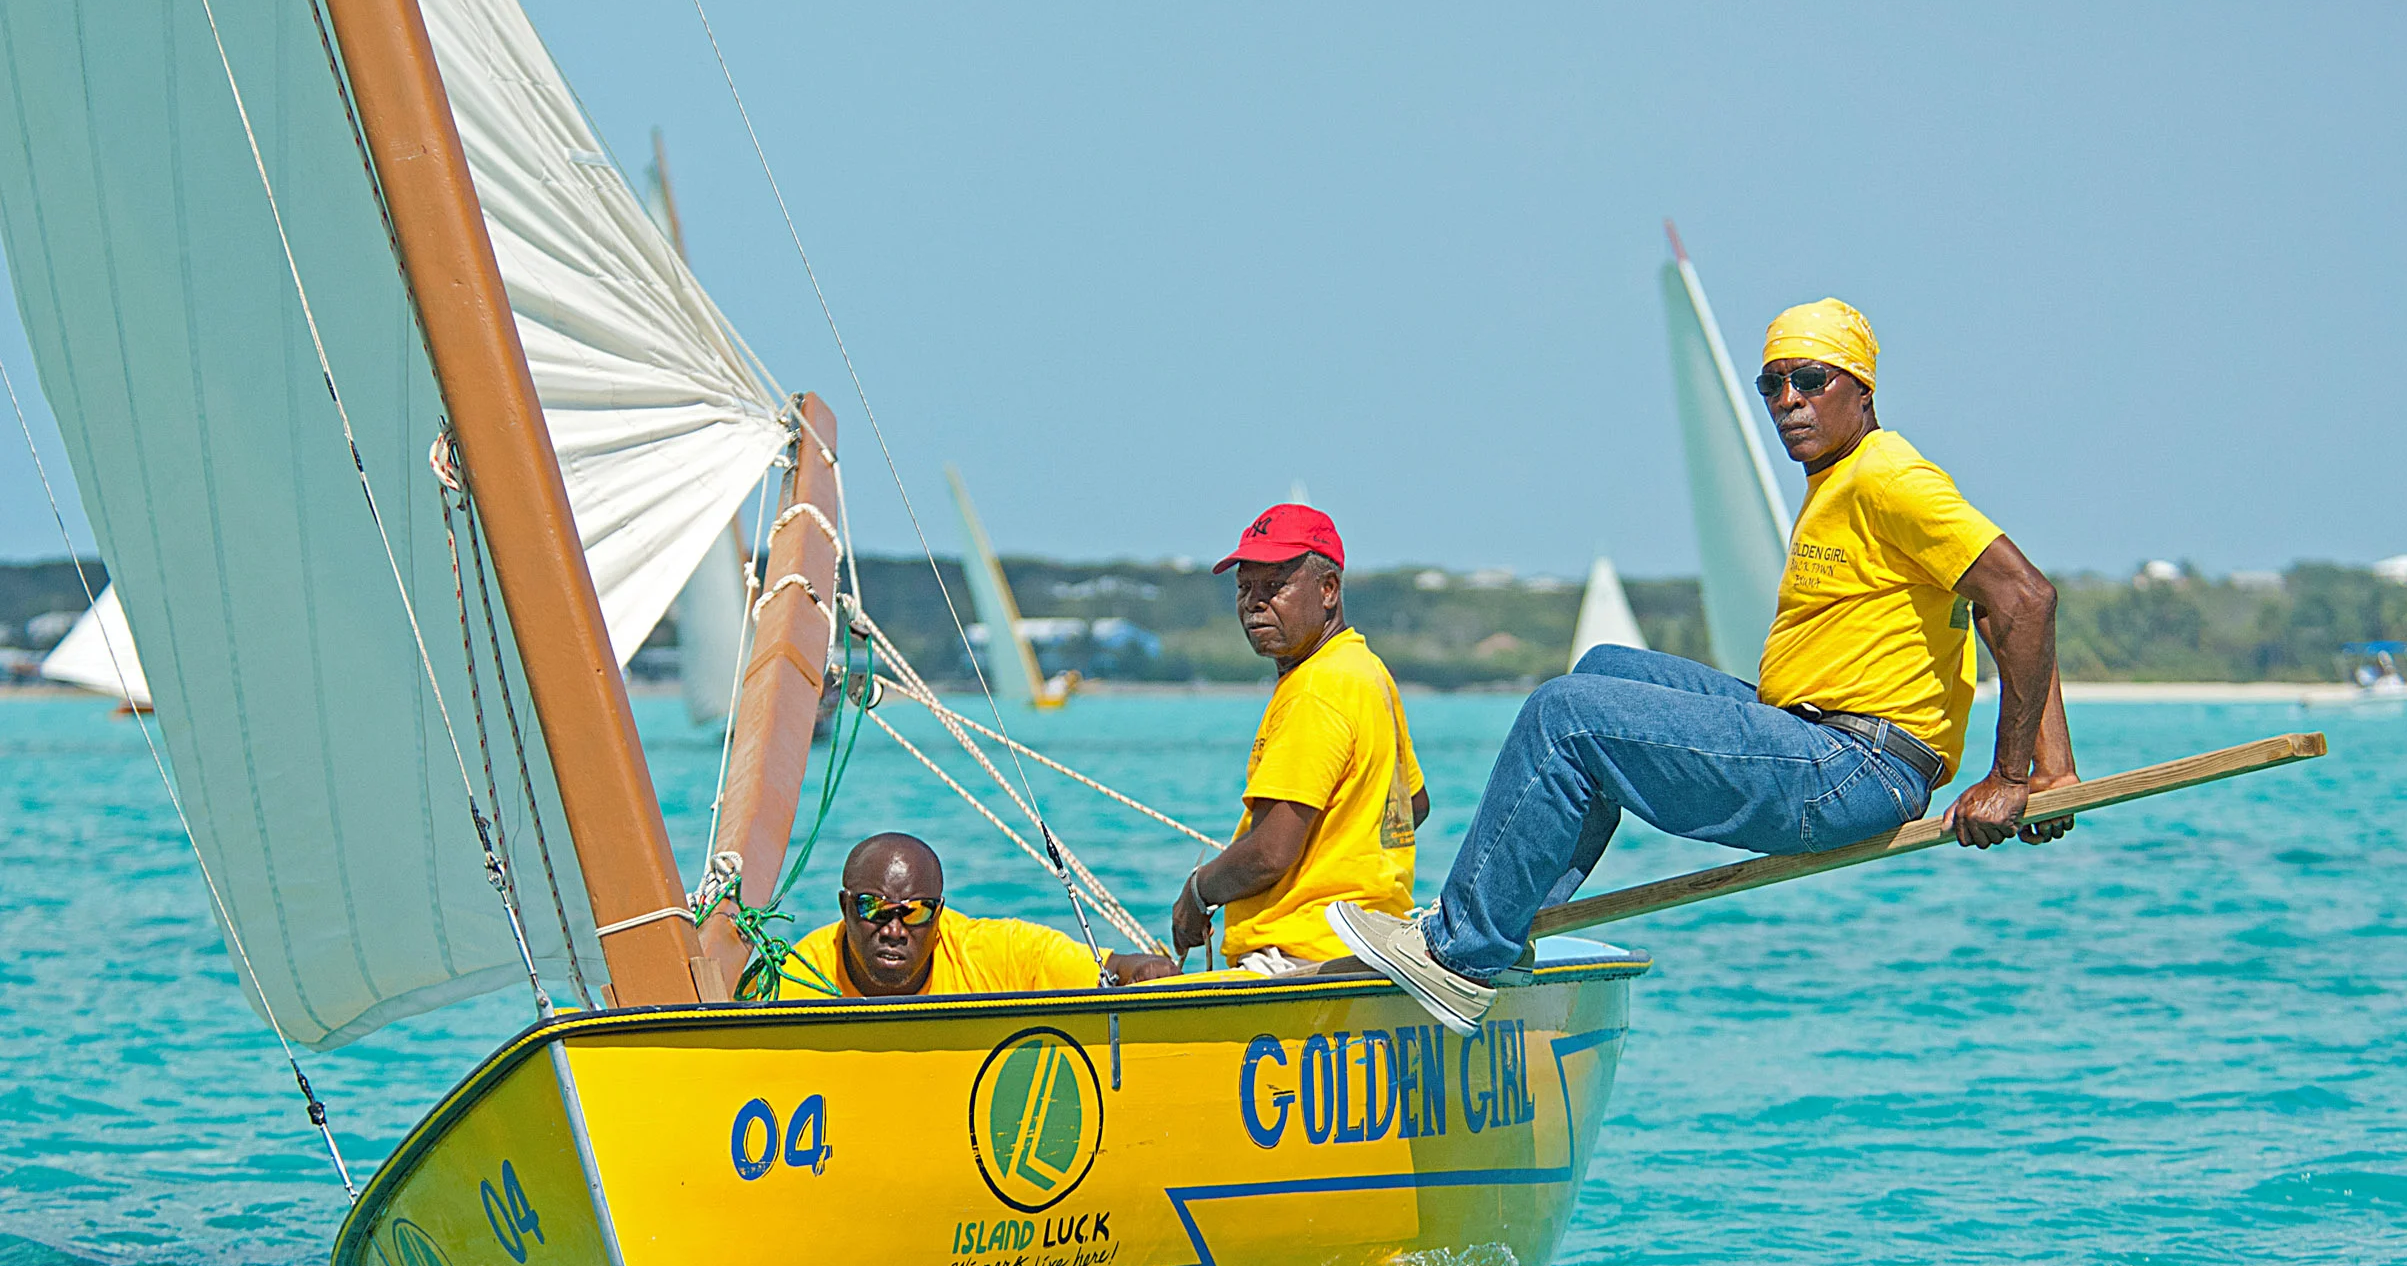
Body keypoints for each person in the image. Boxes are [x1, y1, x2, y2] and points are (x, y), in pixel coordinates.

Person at [1329, 298, 2078, 1033]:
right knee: (1600, 672)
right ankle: (1509, 915)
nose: (1789, 401)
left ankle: (1459, 953)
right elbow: (1991, 610)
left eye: (1811, 380)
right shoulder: (1844, 479)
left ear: (1861, 389)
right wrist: (2056, 770)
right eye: (1772, 385)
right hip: (1810, 732)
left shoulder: (1891, 479)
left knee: (1564, 714)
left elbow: (2024, 599)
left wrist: (2012, 778)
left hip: (1851, 767)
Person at [1169, 503, 1429, 972]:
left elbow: (1271, 852)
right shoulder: (1365, 669)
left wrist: (1198, 891)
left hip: (1301, 953)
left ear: (1328, 590)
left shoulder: (1315, 688)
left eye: (1275, 586)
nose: (1254, 603)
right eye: (1244, 587)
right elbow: (1414, 804)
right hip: (1370, 944)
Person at [767, 832, 1175, 999]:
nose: (893, 930)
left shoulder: (990, 954)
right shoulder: (794, 980)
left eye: (915, 913)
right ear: (844, 908)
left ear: (939, 914)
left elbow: (1113, 969)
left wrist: (1145, 970)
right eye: (873, 908)